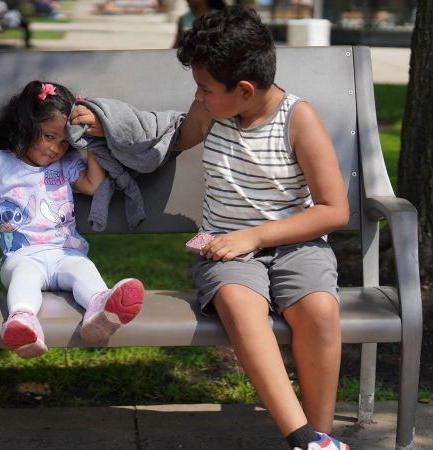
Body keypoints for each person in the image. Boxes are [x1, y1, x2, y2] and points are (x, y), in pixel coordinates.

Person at [70, 5, 351, 450]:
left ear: (243, 89)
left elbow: (335, 210)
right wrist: (108, 125)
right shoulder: (211, 111)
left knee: (319, 312)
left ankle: (322, 438)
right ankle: (303, 440)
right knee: (241, 308)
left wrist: (255, 237)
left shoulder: (299, 120)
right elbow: (169, 138)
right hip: (222, 248)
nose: (197, 98)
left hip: (297, 245)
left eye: (204, 89)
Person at [0, 81, 146, 359]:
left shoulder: (66, 164)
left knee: (83, 270)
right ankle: (23, 322)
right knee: (25, 279)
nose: (56, 149)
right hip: (22, 256)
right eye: (48, 136)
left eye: (64, 142)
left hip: (65, 252)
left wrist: (92, 141)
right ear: (25, 125)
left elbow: (93, 185)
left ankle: (101, 310)